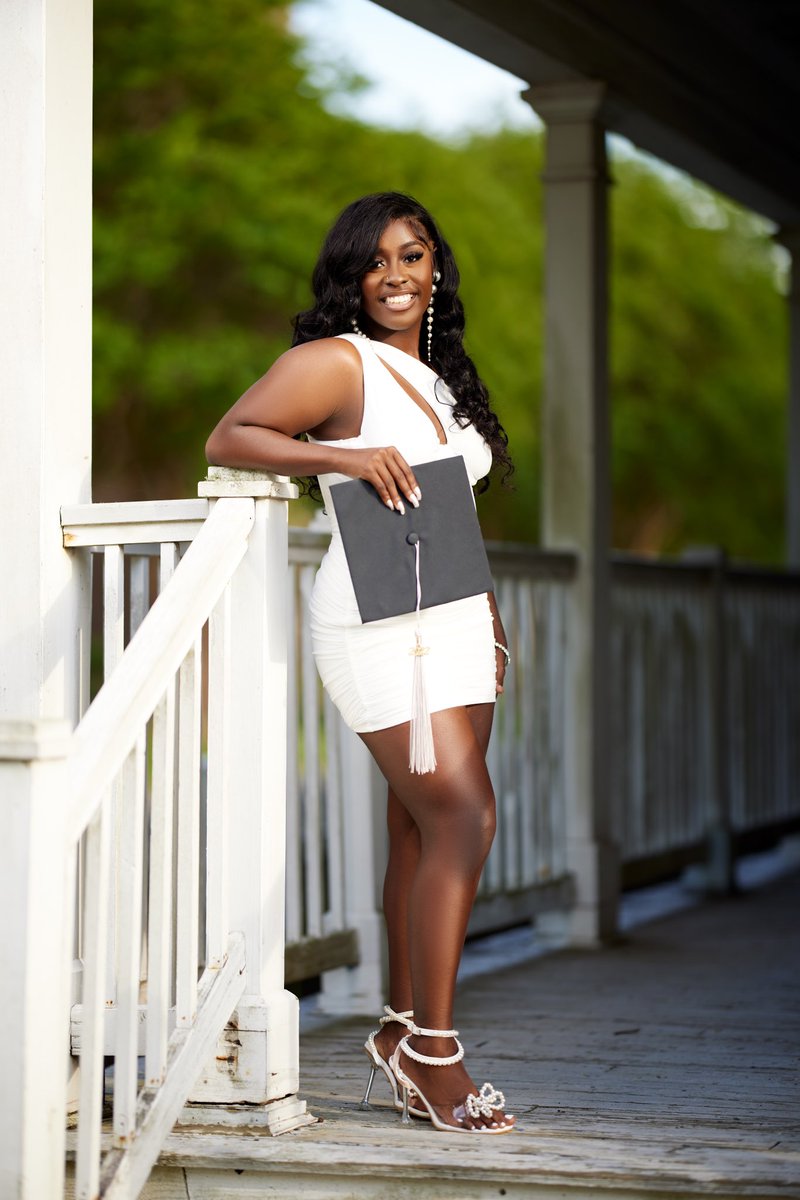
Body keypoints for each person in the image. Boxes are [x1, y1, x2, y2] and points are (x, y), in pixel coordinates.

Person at [206, 192, 516, 1134]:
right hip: (380, 624)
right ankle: (435, 1055)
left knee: (418, 829)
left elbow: (453, 511)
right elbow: (231, 436)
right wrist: (344, 460)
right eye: (375, 260)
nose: (395, 275)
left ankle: (398, 1029)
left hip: (457, 617)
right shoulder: (339, 363)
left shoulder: (443, 376)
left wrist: (490, 618)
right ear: (352, 275)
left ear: (436, 267)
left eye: (412, 255)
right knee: (464, 815)